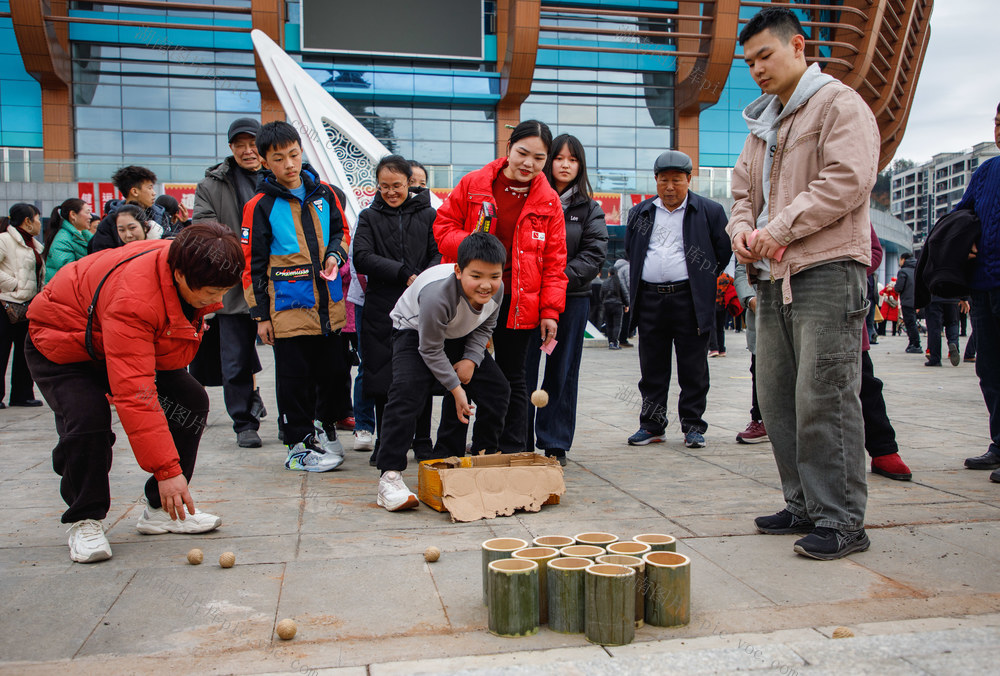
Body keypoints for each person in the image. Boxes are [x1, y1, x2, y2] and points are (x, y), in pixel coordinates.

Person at [729, 8, 880, 560]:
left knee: (825, 396)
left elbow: (847, 180)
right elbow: (741, 193)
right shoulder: (762, 125)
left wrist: (777, 229)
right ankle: (802, 504)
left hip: (827, 269)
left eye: (764, 56)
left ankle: (841, 520)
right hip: (772, 275)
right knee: (777, 397)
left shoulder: (839, 104)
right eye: (749, 62)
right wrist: (741, 231)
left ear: (798, 46)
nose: (757, 69)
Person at [24, 224, 241, 563]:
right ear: (180, 275)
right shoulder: (135, 299)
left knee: (190, 402)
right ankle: (85, 518)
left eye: (225, 290)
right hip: (63, 345)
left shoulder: (188, 260)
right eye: (212, 291)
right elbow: (137, 392)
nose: (217, 300)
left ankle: (161, 510)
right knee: (88, 419)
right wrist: (167, 470)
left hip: (115, 340)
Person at [433, 120, 568, 455]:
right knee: (463, 369)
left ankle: (507, 451)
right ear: (509, 148)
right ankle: (449, 450)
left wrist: (550, 311)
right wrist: (473, 244)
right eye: (522, 153)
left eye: (539, 158)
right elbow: (443, 228)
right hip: (469, 294)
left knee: (514, 377)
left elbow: (555, 262)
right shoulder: (474, 184)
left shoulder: (549, 201)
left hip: (519, 299)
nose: (528, 163)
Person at [242, 121, 350, 472]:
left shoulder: (325, 193)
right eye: (278, 158)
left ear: (301, 150)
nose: (289, 164)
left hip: (329, 305)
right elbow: (252, 264)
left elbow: (342, 231)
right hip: (287, 308)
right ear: (264, 161)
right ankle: (299, 447)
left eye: (293, 154)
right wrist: (260, 316)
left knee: (334, 372)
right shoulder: (259, 205)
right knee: (294, 379)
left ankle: (322, 425)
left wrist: (335, 253)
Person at [375, 233, 510, 510]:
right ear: (458, 271)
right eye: (476, 276)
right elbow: (430, 349)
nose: (486, 285)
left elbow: (485, 325)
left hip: (460, 333)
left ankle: (480, 461)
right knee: (407, 391)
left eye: (494, 276)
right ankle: (390, 476)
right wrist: (456, 389)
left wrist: (471, 359)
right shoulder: (437, 295)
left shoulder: (497, 289)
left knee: (498, 390)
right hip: (414, 331)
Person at [623, 150, 731, 449]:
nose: (670, 187)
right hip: (650, 299)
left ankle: (693, 427)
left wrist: (700, 278)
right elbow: (632, 250)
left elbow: (722, 252)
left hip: (690, 300)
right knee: (652, 368)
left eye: (676, 180)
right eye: (663, 180)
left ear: (689, 179)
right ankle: (652, 426)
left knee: (693, 368)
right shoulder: (641, 212)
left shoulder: (709, 211)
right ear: (656, 180)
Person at [524, 134, 607, 465]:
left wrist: (554, 282)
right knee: (522, 369)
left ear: (580, 166)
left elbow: (594, 255)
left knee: (562, 370)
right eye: (559, 158)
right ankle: (517, 439)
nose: (565, 165)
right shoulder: (530, 199)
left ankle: (554, 441)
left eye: (572, 160)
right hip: (528, 299)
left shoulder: (589, 209)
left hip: (571, 300)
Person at [353, 155, 440, 463]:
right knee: (382, 376)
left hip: (421, 304)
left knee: (422, 372)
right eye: (384, 186)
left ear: (409, 183)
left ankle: (422, 440)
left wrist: (423, 279)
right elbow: (361, 257)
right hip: (382, 306)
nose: (391, 192)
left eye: (398, 185)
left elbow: (439, 252)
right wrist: (403, 273)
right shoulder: (368, 217)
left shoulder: (429, 215)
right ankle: (385, 441)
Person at [192, 116, 266, 449]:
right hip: (234, 285)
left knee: (292, 358)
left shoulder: (279, 176)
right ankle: (244, 423)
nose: (248, 151)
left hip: (277, 284)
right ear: (231, 148)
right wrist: (241, 252)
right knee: (235, 360)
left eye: (253, 144)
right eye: (240, 145)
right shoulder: (211, 185)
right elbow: (204, 229)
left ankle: (292, 423)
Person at [958, 102, 1000, 483]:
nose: (999, 130)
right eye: (997, 123)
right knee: (989, 368)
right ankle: (999, 443)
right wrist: (965, 240)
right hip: (984, 286)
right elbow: (961, 215)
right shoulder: (986, 172)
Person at [0, 203, 45, 408]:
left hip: (28, 306)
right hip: (5, 304)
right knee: (2, 351)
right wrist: (14, 285)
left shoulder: (33, 244)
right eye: (37, 219)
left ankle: (22, 395)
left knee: (24, 353)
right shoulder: (4, 240)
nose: (39, 223)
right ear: (27, 221)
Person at [89, 165, 170, 252]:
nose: (154, 193)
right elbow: (101, 255)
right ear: (134, 191)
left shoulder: (160, 216)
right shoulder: (110, 222)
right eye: (149, 188)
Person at [733, 262, 768, 444]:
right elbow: (741, 270)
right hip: (762, 313)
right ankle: (760, 420)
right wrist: (750, 299)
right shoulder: (750, 241)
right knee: (760, 370)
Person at [43, 198, 93, 284]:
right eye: (87, 212)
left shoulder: (84, 235)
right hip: (62, 289)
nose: (90, 216)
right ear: (73, 215)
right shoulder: (62, 241)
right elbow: (68, 273)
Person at [924, 294, 961, 367]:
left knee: (934, 328)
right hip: (952, 298)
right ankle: (953, 342)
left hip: (934, 298)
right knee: (952, 324)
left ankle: (935, 359)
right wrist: (964, 298)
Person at [895, 252, 921, 353]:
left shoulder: (903, 271)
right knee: (913, 323)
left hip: (907, 301)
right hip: (918, 301)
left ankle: (915, 344)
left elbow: (899, 287)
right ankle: (914, 343)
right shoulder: (918, 269)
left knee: (910, 323)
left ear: (903, 259)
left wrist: (895, 288)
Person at [709, 271, 739, 357]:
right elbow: (734, 285)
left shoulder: (710, 275)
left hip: (712, 304)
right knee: (720, 328)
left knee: (712, 327)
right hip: (723, 305)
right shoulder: (727, 277)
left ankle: (714, 348)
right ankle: (722, 349)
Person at [601, 267, 627, 349]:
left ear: (609, 273)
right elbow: (624, 294)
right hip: (617, 305)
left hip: (607, 305)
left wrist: (603, 302)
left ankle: (611, 342)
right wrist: (627, 304)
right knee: (617, 325)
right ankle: (615, 342)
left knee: (609, 324)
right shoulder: (619, 282)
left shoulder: (605, 282)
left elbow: (601, 295)